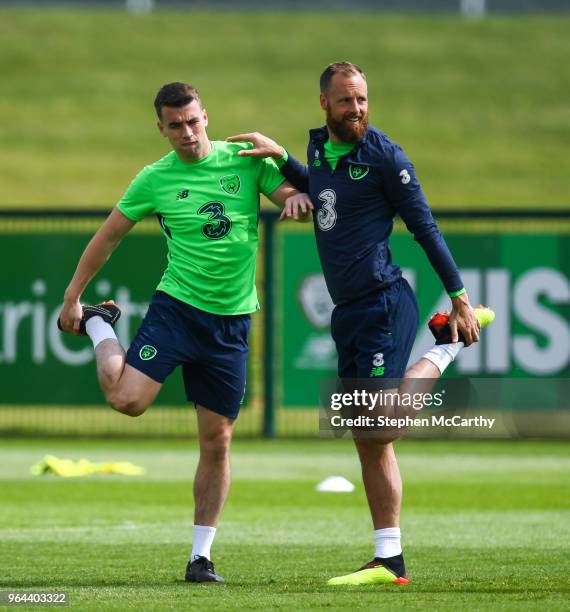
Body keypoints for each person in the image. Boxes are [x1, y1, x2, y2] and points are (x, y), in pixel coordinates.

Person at [227, 61, 494, 586]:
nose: (357, 109)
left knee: (381, 424)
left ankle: (443, 343)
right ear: (324, 102)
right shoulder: (319, 151)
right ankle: (388, 560)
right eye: (347, 100)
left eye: (363, 100)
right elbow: (326, 191)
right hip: (347, 311)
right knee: (367, 437)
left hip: (382, 304)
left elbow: (425, 227)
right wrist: (284, 163)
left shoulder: (386, 158)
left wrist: (460, 298)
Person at [58, 82, 303, 585]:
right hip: (177, 310)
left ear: (206, 117)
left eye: (193, 122)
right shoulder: (154, 178)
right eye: (176, 126)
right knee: (127, 401)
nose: (187, 134)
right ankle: (102, 326)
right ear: (162, 128)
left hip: (232, 323)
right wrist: (72, 299)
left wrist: (295, 194)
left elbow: (296, 196)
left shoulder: (246, 159)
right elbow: (107, 238)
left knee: (218, 440)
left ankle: (200, 557)